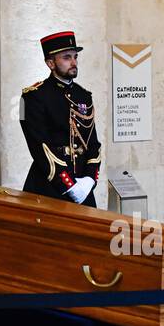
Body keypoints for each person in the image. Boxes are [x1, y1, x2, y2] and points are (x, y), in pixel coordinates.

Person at [20, 30, 102, 206]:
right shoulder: (33, 97)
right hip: (50, 187)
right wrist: (70, 186)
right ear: (50, 63)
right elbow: (39, 147)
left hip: (83, 186)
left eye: (75, 56)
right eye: (66, 57)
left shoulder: (83, 95)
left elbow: (93, 144)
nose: (74, 62)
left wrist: (89, 180)